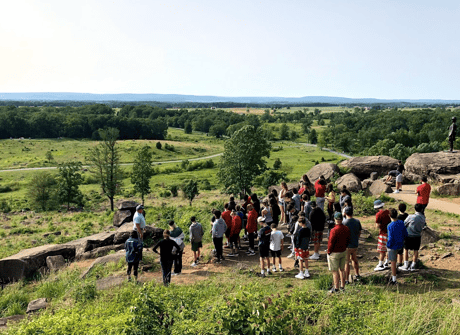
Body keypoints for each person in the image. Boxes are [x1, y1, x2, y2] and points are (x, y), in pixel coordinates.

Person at [327, 212, 351, 293]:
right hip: (343, 251)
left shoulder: (333, 230)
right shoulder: (346, 228)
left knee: (335, 271)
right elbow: (348, 240)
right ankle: (342, 286)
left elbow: (331, 242)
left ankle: (336, 288)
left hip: (334, 252)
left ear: (335, 219)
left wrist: (329, 251)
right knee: (342, 270)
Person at [399, 203, 426, 271]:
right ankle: (413, 265)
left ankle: (406, 265)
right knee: (416, 250)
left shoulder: (411, 217)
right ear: (422, 209)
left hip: (408, 235)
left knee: (406, 249)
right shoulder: (423, 218)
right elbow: (424, 226)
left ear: (415, 209)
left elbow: (404, 224)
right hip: (417, 236)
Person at [387, 208, 408, 285]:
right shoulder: (401, 222)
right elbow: (405, 233)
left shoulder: (390, 225)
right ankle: (399, 266)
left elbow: (390, 238)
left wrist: (388, 246)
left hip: (392, 246)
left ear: (389, 216)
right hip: (400, 244)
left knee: (393, 262)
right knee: (399, 256)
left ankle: (394, 279)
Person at [343, 206, 362, 283]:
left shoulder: (344, 223)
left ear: (345, 213)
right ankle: (357, 274)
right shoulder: (357, 221)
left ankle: (346, 279)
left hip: (347, 246)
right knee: (354, 259)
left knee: (346, 263)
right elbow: (359, 232)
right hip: (355, 244)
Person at [374, 200, 391, 271]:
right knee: (388, 249)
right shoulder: (388, 212)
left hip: (382, 233)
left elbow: (377, 225)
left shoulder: (378, 214)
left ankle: (380, 264)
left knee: (382, 250)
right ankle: (386, 262)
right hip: (389, 233)